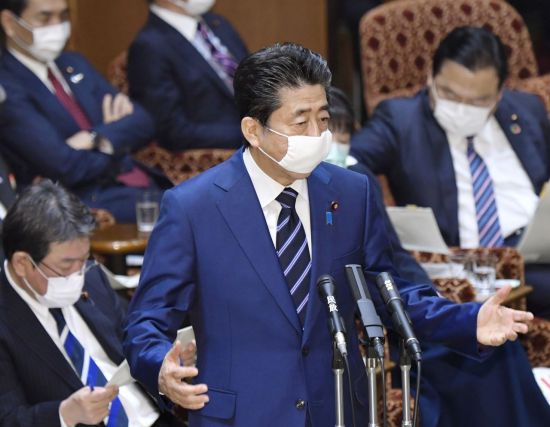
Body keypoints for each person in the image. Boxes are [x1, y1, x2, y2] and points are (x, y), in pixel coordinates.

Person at [123, 42, 534, 426]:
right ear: (253, 130)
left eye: (322, 118)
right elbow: (146, 321)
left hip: (337, 407)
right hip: (242, 414)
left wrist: (466, 320)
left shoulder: (351, 192)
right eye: (299, 121)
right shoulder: (193, 208)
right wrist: (160, 368)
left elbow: (389, 294)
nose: (316, 134)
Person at [329, 85, 550, 427]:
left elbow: (389, 259)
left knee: (495, 348)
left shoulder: (357, 177)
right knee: (470, 359)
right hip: (377, 325)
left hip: (408, 300)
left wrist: (440, 304)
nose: (333, 144)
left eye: (341, 135)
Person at [350, 26, 550, 319]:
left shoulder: (527, 109)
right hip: (466, 268)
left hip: (536, 256)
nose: (461, 109)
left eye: (478, 101)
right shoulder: (401, 119)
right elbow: (350, 163)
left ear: (499, 93)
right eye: (449, 94)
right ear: (430, 77)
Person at [0, 180, 183, 427]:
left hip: (154, 417)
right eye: (66, 265)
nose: (78, 274)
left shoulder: (90, 276)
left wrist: (163, 363)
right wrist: (63, 415)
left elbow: (133, 338)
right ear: (22, 263)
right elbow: (8, 418)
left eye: (84, 259)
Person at [0, 0, 169, 223]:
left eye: (63, 16)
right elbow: (65, 166)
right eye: (44, 17)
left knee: (198, 198)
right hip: (78, 201)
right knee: (192, 209)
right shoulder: (6, 85)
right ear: (9, 22)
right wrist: (115, 139)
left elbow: (143, 121)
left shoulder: (74, 63)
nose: (57, 26)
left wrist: (94, 137)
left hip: (135, 182)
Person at [127, 0, 248, 151]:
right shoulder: (148, 47)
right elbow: (173, 131)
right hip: (224, 147)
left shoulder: (217, 23)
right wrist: (251, 134)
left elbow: (254, 77)